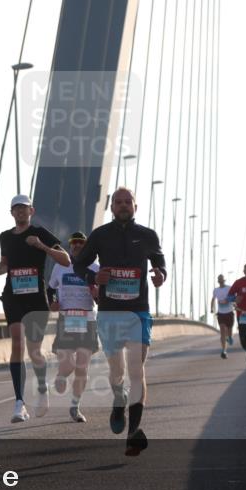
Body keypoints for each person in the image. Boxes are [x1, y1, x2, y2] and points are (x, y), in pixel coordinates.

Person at [73, 187, 166, 456]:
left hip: (138, 311)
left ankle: (133, 432)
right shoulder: (100, 235)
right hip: (110, 311)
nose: (123, 206)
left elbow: (160, 263)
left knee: (136, 370)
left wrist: (160, 275)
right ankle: (118, 398)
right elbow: (79, 265)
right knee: (117, 372)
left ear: (136, 206)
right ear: (111, 207)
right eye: (118, 202)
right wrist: (93, 279)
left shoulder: (147, 236)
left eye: (128, 202)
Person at [0, 194, 70, 423]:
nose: (20, 212)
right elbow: (5, 264)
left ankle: (42, 388)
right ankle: (19, 402)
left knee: (34, 351)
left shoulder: (40, 233)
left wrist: (41, 246)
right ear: (11, 213)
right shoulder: (5, 237)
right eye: (16, 209)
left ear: (31, 211)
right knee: (17, 344)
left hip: (35, 300)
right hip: (13, 296)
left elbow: (66, 260)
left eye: (24, 208)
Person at [47, 231, 100, 423]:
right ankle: (61, 375)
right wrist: (52, 301)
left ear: (86, 246)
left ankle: (75, 406)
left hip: (87, 320)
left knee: (82, 368)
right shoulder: (61, 266)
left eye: (81, 243)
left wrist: (96, 295)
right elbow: (51, 289)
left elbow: (100, 296)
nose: (77, 245)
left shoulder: (94, 267)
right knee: (68, 365)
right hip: (67, 319)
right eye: (73, 243)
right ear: (70, 246)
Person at [210, 274, 234, 359]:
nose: (220, 281)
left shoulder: (229, 288)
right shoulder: (216, 290)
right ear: (218, 281)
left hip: (229, 312)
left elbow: (233, 297)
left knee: (229, 331)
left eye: (221, 279)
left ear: (224, 280)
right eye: (219, 279)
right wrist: (212, 308)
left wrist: (227, 300)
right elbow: (213, 299)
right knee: (223, 331)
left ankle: (230, 337)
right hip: (221, 314)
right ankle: (224, 350)